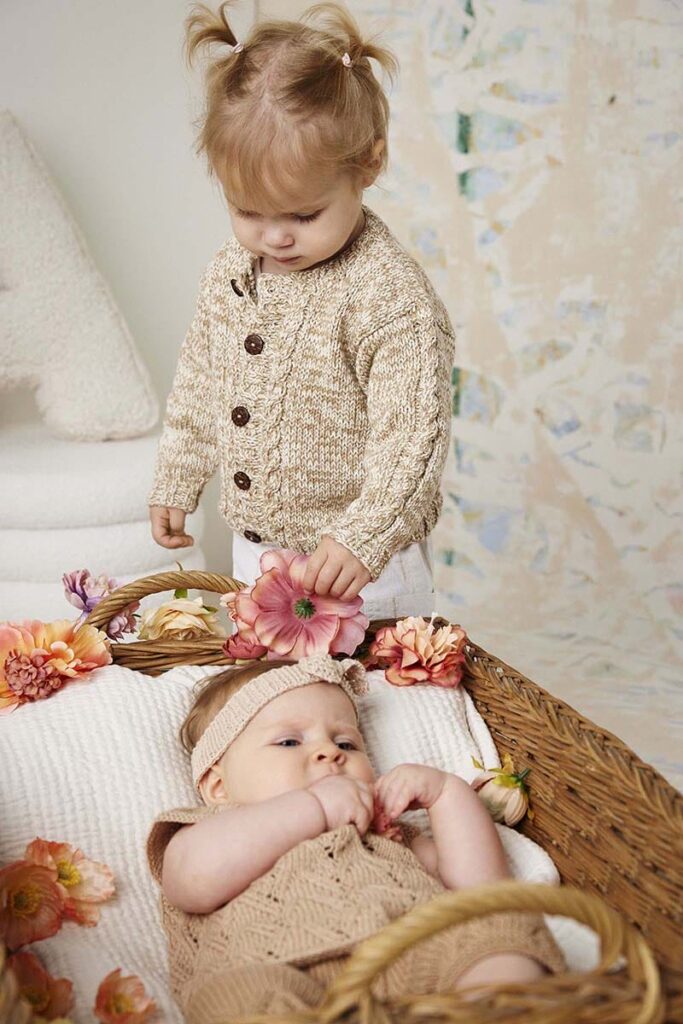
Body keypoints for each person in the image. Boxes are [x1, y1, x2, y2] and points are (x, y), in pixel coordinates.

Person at [148, 1, 456, 622]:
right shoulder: (230, 273)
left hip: (362, 566)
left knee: (374, 681)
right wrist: (179, 473)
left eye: (303, 214)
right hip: (256, 557)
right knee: (270, 680)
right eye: (247, 211)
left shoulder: (389, 298)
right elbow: (202, 383)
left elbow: (411, 439)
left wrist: (365, 534)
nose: (274, 237)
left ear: (369, 164)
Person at [147, 653, 565, 1021]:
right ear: (218, 786)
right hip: (275, 969)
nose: (330, 753)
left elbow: (480, 890)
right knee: (241, 999)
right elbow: (190, 882)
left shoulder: (384, 829)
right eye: (289, 742)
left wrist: (446, 794)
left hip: (413, 954)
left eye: (346, 743)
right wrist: (315, 807)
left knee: (498, 933)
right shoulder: (212, 827)